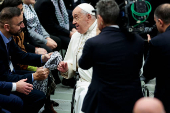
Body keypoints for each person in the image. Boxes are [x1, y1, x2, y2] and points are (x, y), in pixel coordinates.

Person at [79, 0, 144, 113]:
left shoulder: (94, 43)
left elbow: (83, 65)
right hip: (131, 100)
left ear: (100, 18)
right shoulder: (137, 40)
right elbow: (138, 66)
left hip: (101, 101)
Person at [0, 7, 51, 113]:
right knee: (35, 97)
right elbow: (4, 76)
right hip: (4, 80)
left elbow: (20, 56)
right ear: (7, 27)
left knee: (46, 80)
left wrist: (42, 58)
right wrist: (34, 76)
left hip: (9, 74)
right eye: (19, 24)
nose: (23, 26)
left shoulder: (7, 37)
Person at [57, 3, 98, 113]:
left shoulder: (102, 33)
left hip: (104, 84)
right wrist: (66, 68)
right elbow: (72, 65)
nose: (73, 22)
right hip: (84, 84)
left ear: (88, 17)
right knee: (85, 95)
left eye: (76, 17)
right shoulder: (76, 36)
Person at [143, 3, 170, 113]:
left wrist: (151, 47)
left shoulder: (157, 42)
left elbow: (148, 73)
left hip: (166, 97)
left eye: (155, 22)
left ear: (160, 22)